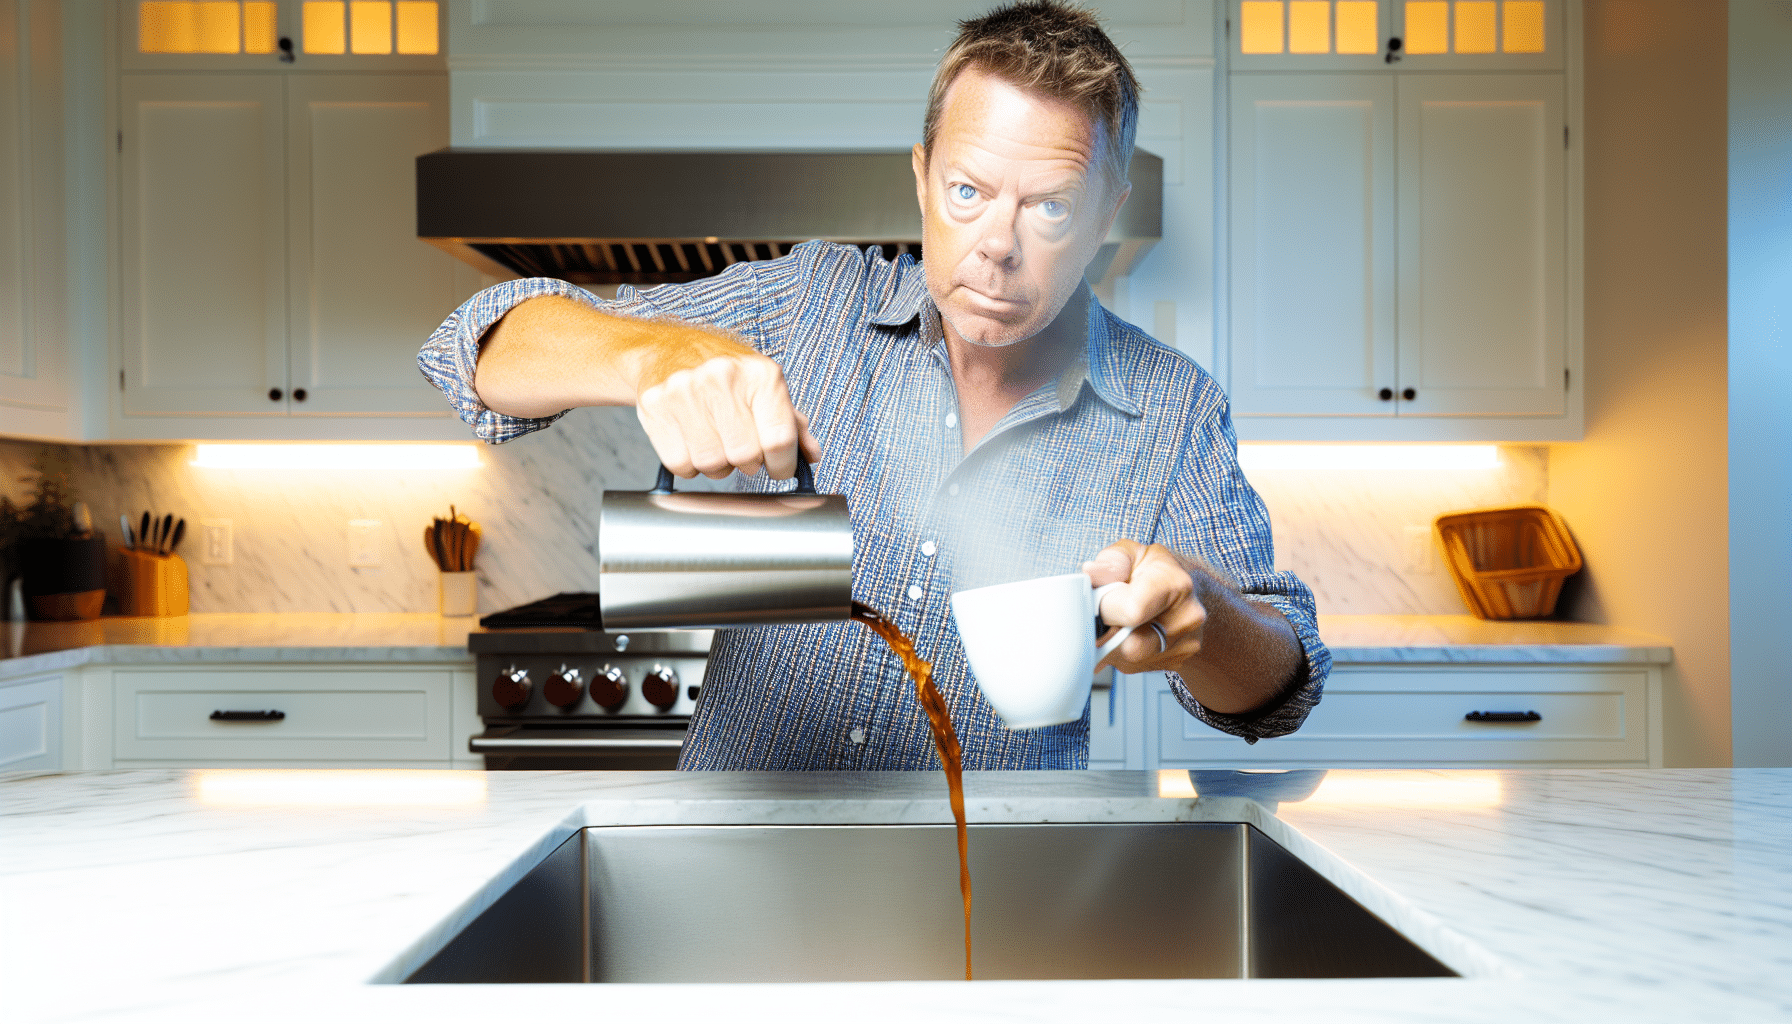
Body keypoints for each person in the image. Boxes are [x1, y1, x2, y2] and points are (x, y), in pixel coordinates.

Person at [419, 0, 1329, 770]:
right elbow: (472, 349)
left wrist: (1207, 614)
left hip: (1000, 893)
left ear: (1106, 214)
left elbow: (1284, 691)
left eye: (1049, 206)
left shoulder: (1171, 408)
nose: (998, 244)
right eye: (968, 191)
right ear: (923, 179)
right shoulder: (809, 300)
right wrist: (646, 354)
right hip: (739, 881)